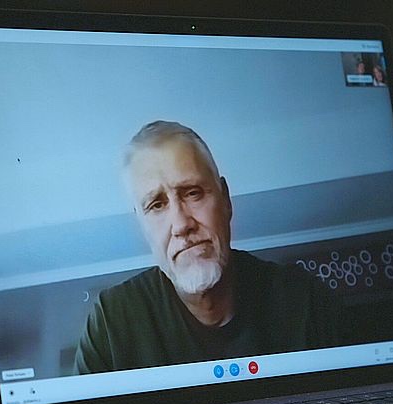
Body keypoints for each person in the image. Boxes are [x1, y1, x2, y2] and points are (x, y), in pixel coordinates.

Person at [75, 121, 344, 374]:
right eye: (157, 205)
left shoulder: (305, 300)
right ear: (142, 226)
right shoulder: (110, 323)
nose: (181, 224)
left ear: (225, 199)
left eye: (192, 193)